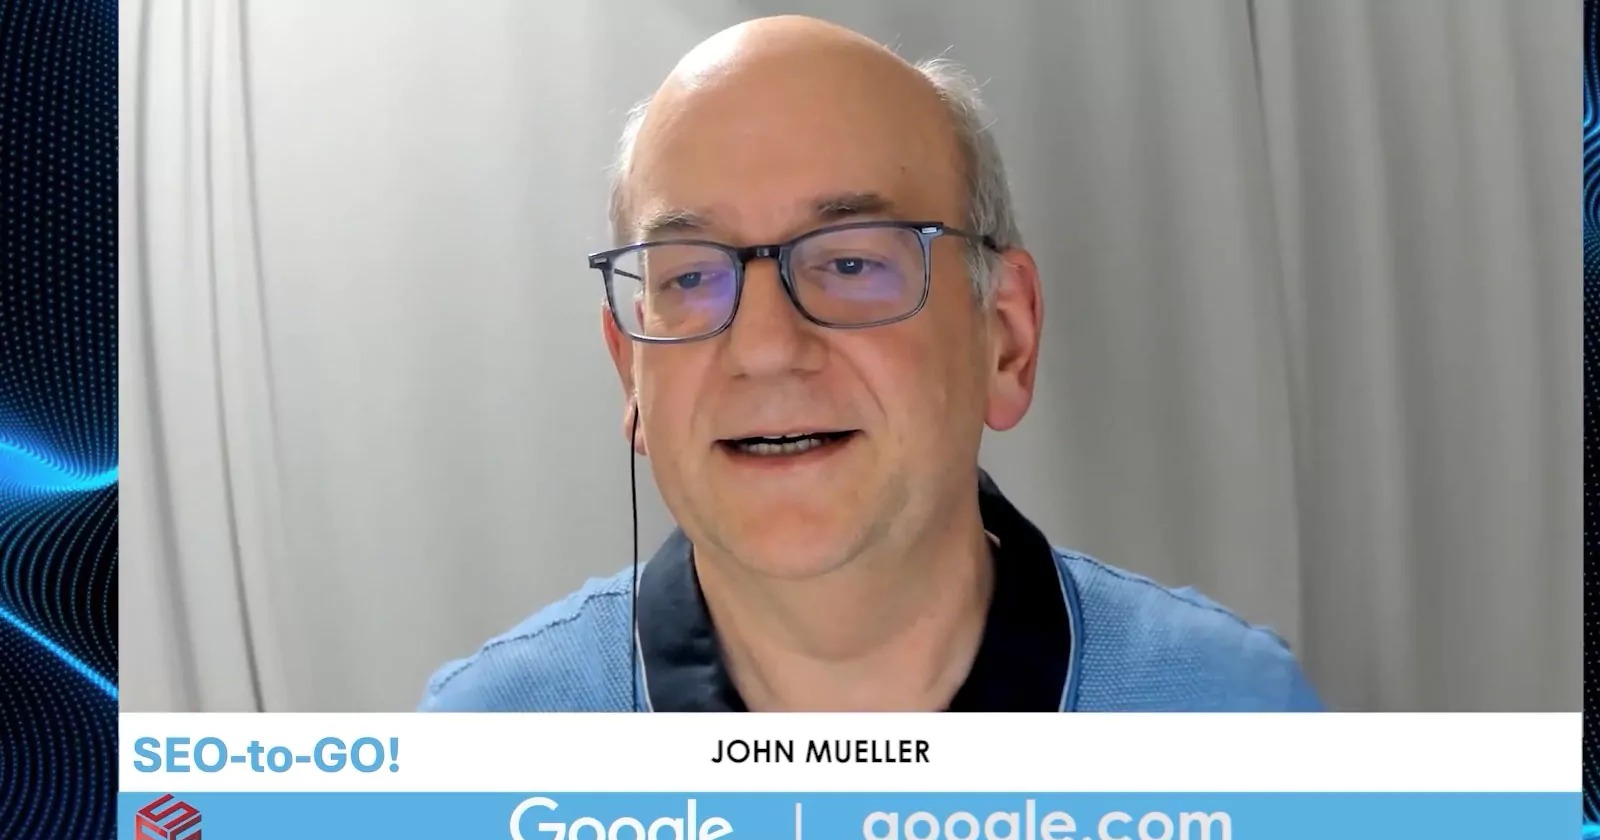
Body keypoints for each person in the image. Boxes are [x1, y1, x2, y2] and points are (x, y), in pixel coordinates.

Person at [419, 15, 1323, 713]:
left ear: (1005, 338)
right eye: (691, 276)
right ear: (631, 377)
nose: (764, 348)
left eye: (851, 263)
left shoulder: (1238, 719)